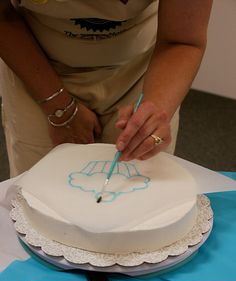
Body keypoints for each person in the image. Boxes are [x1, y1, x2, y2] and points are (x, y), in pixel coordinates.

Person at [0, 0, 213, 177]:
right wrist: (58, 106)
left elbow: (182, 40)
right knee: (41, 196)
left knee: (141, 193)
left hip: (143, 70)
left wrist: (154, 110)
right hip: (34, 64)